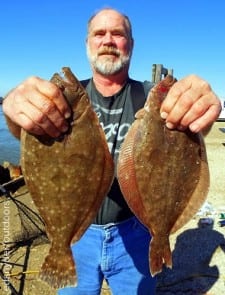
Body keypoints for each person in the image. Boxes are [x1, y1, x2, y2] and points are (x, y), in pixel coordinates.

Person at [2, 7, 221, 295]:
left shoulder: (152, 98)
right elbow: (27, 134)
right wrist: (13, 111)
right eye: (99, 33)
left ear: (130, 44)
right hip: (79, 237)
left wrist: (198, 111)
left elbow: (191, 138)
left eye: (118, 34)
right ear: (87, 43)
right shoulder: (58, 104)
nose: (108, 40)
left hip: (137, 231)